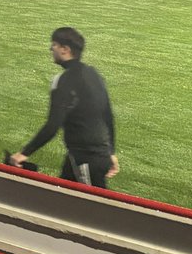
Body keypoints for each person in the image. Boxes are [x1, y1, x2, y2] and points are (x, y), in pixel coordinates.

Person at [9, 27, 118, 189]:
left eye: (54, 45)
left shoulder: (64, 80)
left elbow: (53, 125)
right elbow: (108, 115)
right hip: (94, 155)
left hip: (86, 158)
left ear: (65, 49)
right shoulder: (93, 74)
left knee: (92, 203)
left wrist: (24, 153)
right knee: (60, 194)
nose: (50, 49)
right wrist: (111, 152)